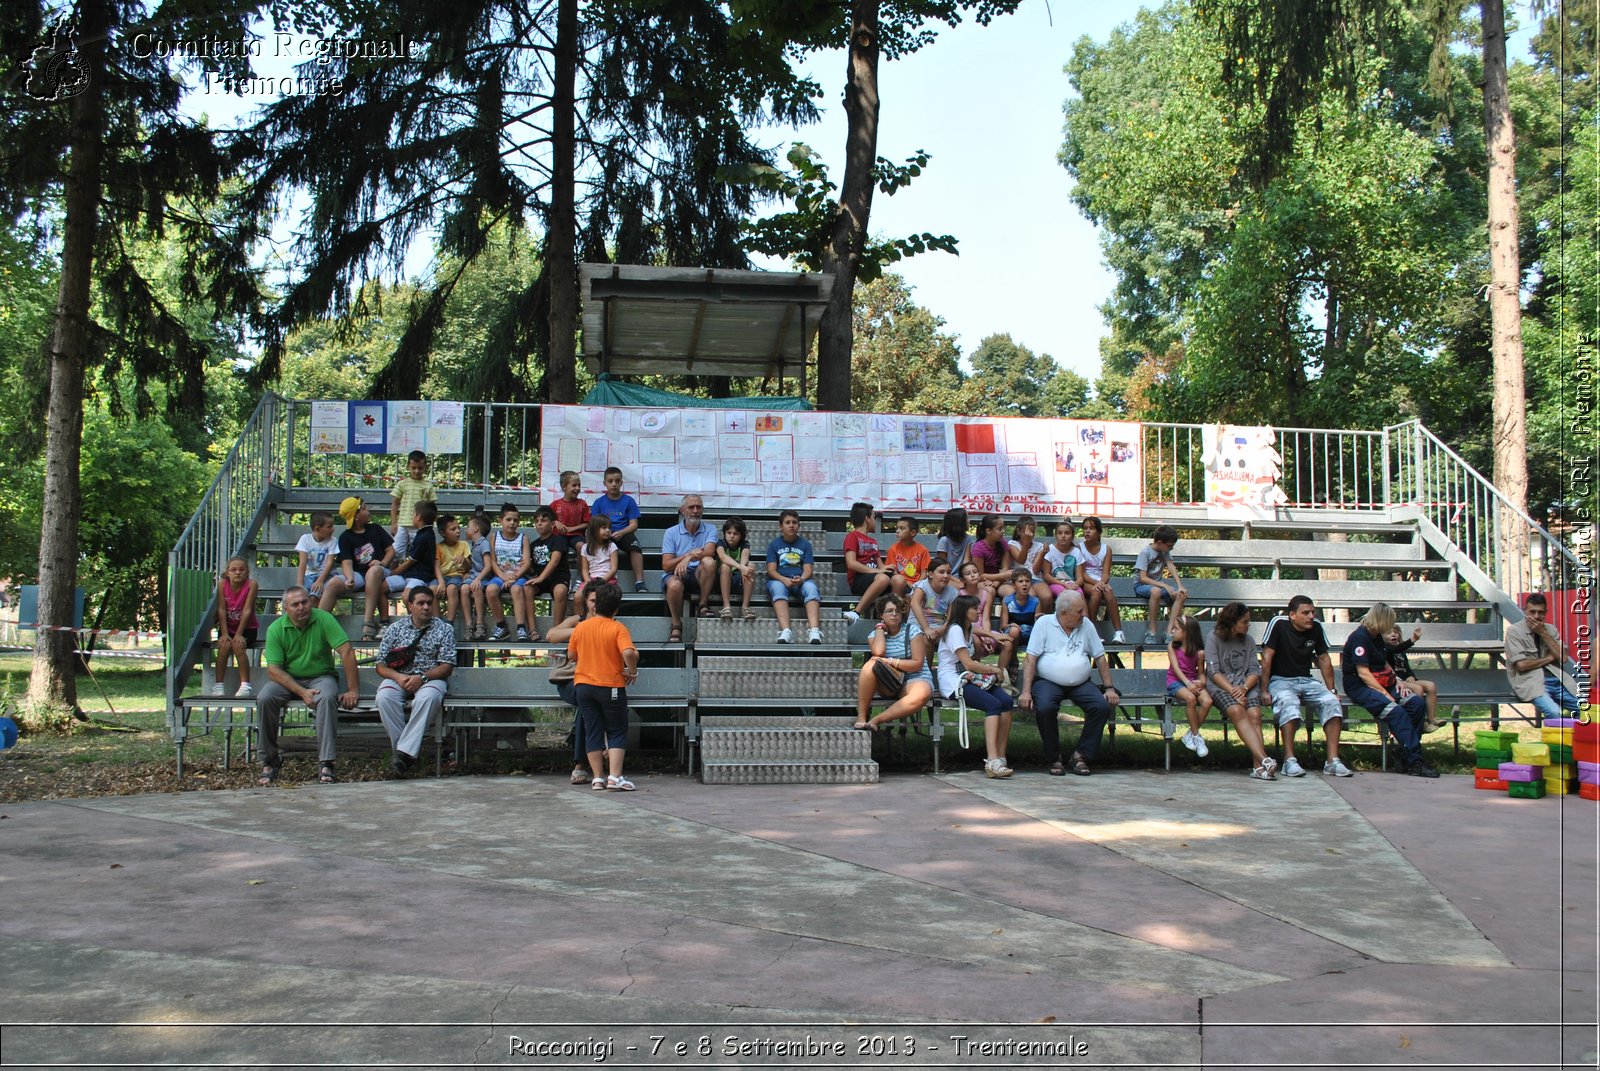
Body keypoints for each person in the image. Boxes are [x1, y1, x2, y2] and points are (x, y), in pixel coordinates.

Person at [255, 585, 361, 786]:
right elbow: (274, 670)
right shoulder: (276, 629)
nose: (302, 607)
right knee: (265, 698)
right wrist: (302, 692)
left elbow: (347, 651)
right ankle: (269, 760)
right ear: (286, 609)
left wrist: (353, 689)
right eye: (295, 604)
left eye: (305, 602)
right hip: (287, 679)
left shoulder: (324, 619)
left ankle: (326, 762)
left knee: (328, 697)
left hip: (321, 676)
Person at [1018, 591, 1120, 776]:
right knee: (1046, 708)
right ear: (1063, 613)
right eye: (1079, 611)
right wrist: (1026, 692)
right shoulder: (1044, 624)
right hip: (1047, 681)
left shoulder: (1086, 624)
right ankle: (1054, 758)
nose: (1083, 614)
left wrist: (1109, 688)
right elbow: (1030, 658)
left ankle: (1081, 755)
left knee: (1100, 706)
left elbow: (1100, 657)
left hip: (1081, 683)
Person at [1342, 602, 1437, 778]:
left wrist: (1397, 680)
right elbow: (1363, 673)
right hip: (1361, 685)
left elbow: (1383, 661)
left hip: (1383, 680)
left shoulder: (1376, 636)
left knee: (1416, 704)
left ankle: (1404, 754)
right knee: (1396, 711)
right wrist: (1385, 694)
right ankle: (1415, 761)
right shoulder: (1359, 638)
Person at [1260, 595, 1348, 777]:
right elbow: (1266, 657)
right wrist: (1264, 689)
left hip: (1306, 680)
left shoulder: (1316, 627)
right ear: (1292, 615)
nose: (1311, 616)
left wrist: (1332, 690)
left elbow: (1324, 659)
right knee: (1289, 704)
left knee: (1332, 702)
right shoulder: (1278, 624)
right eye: (1305, 613)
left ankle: (1332, 761)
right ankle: (1289, 761)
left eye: (1313, 612)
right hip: (1281, 680)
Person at [374, 585, 456, 776]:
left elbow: (447, 666)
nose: (426, 607)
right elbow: (380, 665)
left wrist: (423, 677)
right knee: (384, 698)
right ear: (410, 606)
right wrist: (398, 677)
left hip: (430, 678)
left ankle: (401, 756)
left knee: (427, 699)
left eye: (429, 603)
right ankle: (406, 755)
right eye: (421, 603)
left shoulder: (444, 629)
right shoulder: (395, 628)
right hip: (399, 677)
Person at [569, 582, 640, 791]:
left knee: (593, 730)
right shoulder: (618, 627)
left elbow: (571, 655)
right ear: (616, 609)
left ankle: (597, 778)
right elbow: (628, 652)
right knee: (617, 730)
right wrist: (632, 670)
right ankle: (614, 777)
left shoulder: (581, 627)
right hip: (611, 685)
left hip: (583, 685)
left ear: (594, 605)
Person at [936, 593, 1015, 777]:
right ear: (964, 611)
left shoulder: (967, 627)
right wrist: (994, 670)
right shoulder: (955, 630)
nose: (978, 610)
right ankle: (992, 760)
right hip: (953, 680)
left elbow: (976, 631)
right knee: (993, 705)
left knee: (1007, 702)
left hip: (969, 676)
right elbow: (969, 664)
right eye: (974, 608)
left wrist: (991, 633)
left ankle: (1001, 756)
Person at [1204, 601, 1276, 780]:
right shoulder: (1213, 638)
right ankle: (1264, 760)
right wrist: (1233, 691)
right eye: (1244, 621)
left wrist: (1243, 688)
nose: (1248, 625)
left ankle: (1258, 767)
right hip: (1221, 686)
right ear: (1232, 622)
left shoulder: (1249, 640)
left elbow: (1254, 670)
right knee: (1236, 710)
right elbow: (1213, 672)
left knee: (1255, 715)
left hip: (1246, 685)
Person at [548, 579, 604, 785]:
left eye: (601, 600)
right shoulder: (577, 620)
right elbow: (551, 635)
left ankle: (581, 762)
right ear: (586, 601)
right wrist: (583, 630)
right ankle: (583, 762)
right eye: (593, 600)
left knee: (587, 701)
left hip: (596, 681)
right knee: (585, 696)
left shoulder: (610, 624)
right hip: (569, 680)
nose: (596, 604)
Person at [853, 593, 934, 732]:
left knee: (922, 693)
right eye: (889, 611)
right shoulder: (874, 635)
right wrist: (880, 628)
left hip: (915, 678)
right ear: (881, 615)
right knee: (870, 665)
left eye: (897, 611)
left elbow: (917, 664)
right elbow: (878, 652)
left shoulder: (913, 631)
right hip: (890, 681)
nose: (894, 614)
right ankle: (861, 717)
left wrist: (891, 661)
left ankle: (877, 720)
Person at [330, 496, 404, 641]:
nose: (368, 510)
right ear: (356, 516)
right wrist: (349, 577)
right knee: (333, 584)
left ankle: (368, 622)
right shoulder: (345, 537)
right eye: (364, 508)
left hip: (381, 571)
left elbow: (391, 551)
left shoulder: (375, 529)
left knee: (374, 570)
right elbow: (346, 562)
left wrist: (382, 563)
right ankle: (317, 623)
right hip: (359, 574)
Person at [1504, 592, 1583, 717]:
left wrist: (1543, 633)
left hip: (1558, 679)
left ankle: (1578, 736)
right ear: (1525, 611)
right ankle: (1556, 735)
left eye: (1540, 612)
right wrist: (1551, 657)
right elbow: (1522, 665)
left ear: (1545, 612)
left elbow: (1563, 658)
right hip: (1532, 682)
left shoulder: (1550, 629)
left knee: (1588, 710)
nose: (1536, 616)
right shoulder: (1514, 631)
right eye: (1532, 612)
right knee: (1554, 712)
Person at [661, 493, 716, 642]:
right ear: (682, 510)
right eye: (691, 507)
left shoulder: (710, 529)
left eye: (699, 507)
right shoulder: (671, 532)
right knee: (674, 585)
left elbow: (709, 551)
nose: (695, 510)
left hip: (698, 573)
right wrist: (686, 556)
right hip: (675, 573)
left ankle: (703, 605)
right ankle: (676, 623)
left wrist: (690, 557)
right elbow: (666, 565)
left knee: (710, 562)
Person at [766, 508, 823, 645]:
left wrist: (802, 579)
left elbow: (808, 570)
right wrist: (784, 580)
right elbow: (771, 570)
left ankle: (814, 630)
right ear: (781, 526)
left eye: (794, 522)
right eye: (787, 522)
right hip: (780, 579)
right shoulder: (774, 545)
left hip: (800, 580)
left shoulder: (805, 545)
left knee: (811, 588)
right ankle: (786, 631)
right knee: (777, 588)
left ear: (798, 525)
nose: (791, 525)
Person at [592, 466, 647, 593]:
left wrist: (622, 532)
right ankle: (592, 579)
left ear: (621, 483)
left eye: (617, 481)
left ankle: (639, 582)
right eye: (610, 481)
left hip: (623, 533)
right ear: (604, 483)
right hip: (603, 534)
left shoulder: (629, 501)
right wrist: (604, 532)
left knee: (635, 547)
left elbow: (634, 525)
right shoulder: (598, 502)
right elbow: (594, 525)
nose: (614, 484)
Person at [1168, 613, 1215, 759]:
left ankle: (1190, 734)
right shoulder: (1172, 647)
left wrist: (1202, 682)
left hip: (1192, 681)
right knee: (1190, 699)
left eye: (1176, 629)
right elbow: (1175, 668)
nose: (1172, 631)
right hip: (1176, 681)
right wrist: (1187, 683)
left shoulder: (1199, 652)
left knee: (1207, 701)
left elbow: (1201, 673)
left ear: (1187, 632)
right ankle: (1196, 736)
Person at [211, 556, 258, 696]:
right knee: (224, 646)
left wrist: (239, 634)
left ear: (247, 572)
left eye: (241, 569)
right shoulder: (221, 584)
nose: (238, 572)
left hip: (247, 628)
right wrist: (224, 633)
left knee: (238, 645)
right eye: (234, 570)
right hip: (228, 627)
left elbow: (247, 610)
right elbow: (221, 609)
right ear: (227, 572)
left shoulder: (252, 585)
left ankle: (245, 685)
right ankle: (218, 685)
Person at [485, 502, 532, 642]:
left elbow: (527, 562)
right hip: (501, 574)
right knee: (490, 590)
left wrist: (514, 577)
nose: (512, 523)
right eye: (508, 520)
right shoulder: (494, 536)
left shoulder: (523, 538)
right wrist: (503, 576)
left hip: (518, 576)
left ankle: (521, 627)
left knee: (516, 590)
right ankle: (501, 626)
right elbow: (493, 561)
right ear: (500, 521)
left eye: (515, 520)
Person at [1134, 524, 1187, 645]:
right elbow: (1142, 578)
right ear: (1159, 542)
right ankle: (1151, 631)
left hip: (1158, 585)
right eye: (1169, 546)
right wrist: (1165, 586)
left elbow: (1171, 566)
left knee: (1181, 594)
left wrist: (1180, 586)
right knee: (1156, 591)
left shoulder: (1165, 552)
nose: (1171, 548)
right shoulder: (1145, 552)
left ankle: (1169, 631)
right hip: (1141, 586)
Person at [842, 502, 893, 625]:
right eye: (874, 517)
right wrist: (878, 571)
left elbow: (880, 565)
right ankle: (856, 613)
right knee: (883, 579)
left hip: (876, 577)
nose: (875, 521)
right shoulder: (852, 537)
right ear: (867, 519)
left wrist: (887, 568)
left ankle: (893, 616)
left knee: (898, 579)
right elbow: (851, 564)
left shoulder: (873, 541)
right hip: (859, 580)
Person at [1076, 516, 1124, 643]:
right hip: (1086, 581)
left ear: (1098, 532)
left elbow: (1106, 573)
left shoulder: (1106, 549)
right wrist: (1097, 584)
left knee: (1109, 592)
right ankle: (1090, 631)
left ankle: (1119, 633)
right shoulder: (1079, 548)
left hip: (1101, 581)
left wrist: (1102, 583)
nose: (1087, 531)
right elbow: (1081, 572)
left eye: (1091, 528)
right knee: (1096, 592)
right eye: (1085, 528)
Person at [526, 505, 571, 633]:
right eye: (537, 521)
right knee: (526, 588)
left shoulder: (558, 540)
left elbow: (555, 560)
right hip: (541, 580)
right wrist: (528, 568)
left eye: (543, 521)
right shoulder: (533, 544)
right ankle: (532, 629)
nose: (539, 524)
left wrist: (540, 578)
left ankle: (556, 629)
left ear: (552, 524)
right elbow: (532, 570)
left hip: (558, 578)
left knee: (560, 591)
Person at [1386, 625, 1439, 732]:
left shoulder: (1401, 652)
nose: (1393, 634)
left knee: (1431, 686)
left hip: (1408, 680)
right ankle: (1421, 721)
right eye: (1389, 633)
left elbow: (1406, 667)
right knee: (1417, 689)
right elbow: (1395, 651)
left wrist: (1411, 676)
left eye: (1396, 632)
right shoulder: (1386, 650)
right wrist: (1413, 639)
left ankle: (1432, 719)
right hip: (1397, 682)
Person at [389, 449, 436, 562]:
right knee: (396, 552)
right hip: (403, 524)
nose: (416, 471)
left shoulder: (428, 486)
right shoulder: (402, 484)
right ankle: (391, 575)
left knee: (417, 553)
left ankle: (413, 574)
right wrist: (394, 522)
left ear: (425, 467)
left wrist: (429, 525)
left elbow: (432, 507)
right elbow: (395, 504)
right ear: (408, 467)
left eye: (420, 468)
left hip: (420, 527)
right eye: (413, 468)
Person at [711, 517, 757, 621]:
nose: (731, 536)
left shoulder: (744, 544)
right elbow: (722, 556)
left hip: (738, 581)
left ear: (741, 535)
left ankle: (745, 607)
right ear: (724, 533)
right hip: (721, 582)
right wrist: (740, 567)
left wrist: (743, 568)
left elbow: (745, 556)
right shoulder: (720, 543)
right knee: (725, 566)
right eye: (729, 532)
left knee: (751, 566)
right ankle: (726, 607)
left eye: (735, 533)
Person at [999, 567, 1040, 679]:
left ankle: (1036, 668)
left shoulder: (1035, 601)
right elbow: (1003, 625)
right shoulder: (1007, 601)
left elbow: (1038, 625)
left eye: (1027, 581)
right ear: (1013, 585)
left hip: (1029, 632)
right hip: (1012, 633)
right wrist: (1012, 625)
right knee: (1014, 630)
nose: (1024, 584)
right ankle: (1013, 661)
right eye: (1020, 581)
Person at [909, 559, 958, 650]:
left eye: (948, 572)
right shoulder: (922, 586)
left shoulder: (953, 592)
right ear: (930, 574)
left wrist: (943, 629)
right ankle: (927, 665)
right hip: (917, 626)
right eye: (941, 572)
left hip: (939, 629)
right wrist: (926, 628)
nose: (946, 576)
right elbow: (914, 603)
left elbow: (951, 618)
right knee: (927, 640)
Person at [434, 513, 471, 626]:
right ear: (442, 532)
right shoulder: (438, 547)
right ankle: (436, 623)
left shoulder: (464, 545)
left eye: (458, 528)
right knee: (433, 589)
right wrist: (440, 582)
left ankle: (450, 622)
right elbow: (436, 566)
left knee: (452, 588)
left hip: (457, 576)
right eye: (453, 529)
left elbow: (469, 566)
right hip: (442, 576)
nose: (458, 531)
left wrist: (464, 560)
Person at [393, 500, 438, 592]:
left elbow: (410, 562)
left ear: (419, 517)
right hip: (413, 574)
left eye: (414, 514)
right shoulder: (426, 533)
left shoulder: (423, 537)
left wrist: (393, 573)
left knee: (407, 595)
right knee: (383, 586)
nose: (412, 516)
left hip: (418, 576)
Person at [295, 511, 339, 604]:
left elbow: (329, 563)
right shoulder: (305, 539)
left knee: (315, 595)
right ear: (317, 529)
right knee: (302, 597)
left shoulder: (332, 541)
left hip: (327, 575)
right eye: (329, 526)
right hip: (309, 575)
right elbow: (302, 562)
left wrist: (320, 581)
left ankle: (316, 616)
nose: (333, 529)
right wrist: (300, 584)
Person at [882, 516, 931, 596]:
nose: (897, 531)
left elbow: (924, 573)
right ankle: (896, 605)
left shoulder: (922, 550)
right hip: (901, 583)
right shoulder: (893, 549)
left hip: (918, 584)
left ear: (913, 533)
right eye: (897, 528)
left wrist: (917, 585)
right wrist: (908, 583)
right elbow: (893, 572)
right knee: (899, 582)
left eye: (902, 528)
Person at [462, 513, 493, 641]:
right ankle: (469, 624)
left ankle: (480, 623)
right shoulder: (473, 546)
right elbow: (474, 565)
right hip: (474, 576)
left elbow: (487, 566)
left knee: (476, 588)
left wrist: (478, 578)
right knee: (463, 589)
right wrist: (467, 572)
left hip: (483, 578)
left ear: (475, 528)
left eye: (468, 526)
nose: (465, 529)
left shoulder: (484, 544)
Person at [1042, 519, 1082, 613]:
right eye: (1060, 533)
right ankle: (1062, 622)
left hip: (1071, 583)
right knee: (1064, 595)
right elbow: (1046, 575)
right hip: (1055, 583)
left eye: (1067, 533)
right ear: (1056, 535)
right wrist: (1063, 584)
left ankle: (1084, 622)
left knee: (1079, 595)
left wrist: (1076, 584)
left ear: (1072, 536)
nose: (1063, 536)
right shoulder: (1050, 550)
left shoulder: (1076, 552)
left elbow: (1080, 577)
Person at [578, 515, 619, 587]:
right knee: (578, 596)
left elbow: (614, 569)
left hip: (608, 579)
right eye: (604, 528)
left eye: (609, 528)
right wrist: (587, 581)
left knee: (600, 592)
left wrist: (602, 581)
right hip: (591, 579)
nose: (608, 530)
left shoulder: (612, 546)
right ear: (594, 530)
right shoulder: (585, 547)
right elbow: (585, 569)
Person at [550, 469, 591, 540]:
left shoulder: (582, 504)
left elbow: (588, 523)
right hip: (558, 536)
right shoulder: (554, 505)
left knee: (580, 545)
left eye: (579, 485)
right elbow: (547, 520)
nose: (577, 488)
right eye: (574, 485)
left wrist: (572, 529)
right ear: (564, 487)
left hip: (577, 535)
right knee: (558, 547)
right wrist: (555, 522)